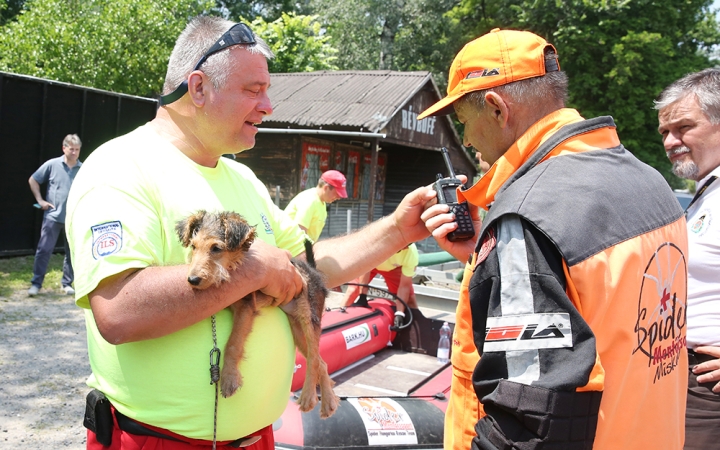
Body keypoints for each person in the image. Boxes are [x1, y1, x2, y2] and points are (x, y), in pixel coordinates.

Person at [65, 16, 433, 450]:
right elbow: (120, 311)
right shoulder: (121, 167)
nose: (269, 106)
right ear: (198, 88)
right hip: (158, 441)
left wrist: (397, 230)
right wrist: (255, 268)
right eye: (253, 90)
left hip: (255, 437)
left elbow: (307, 270)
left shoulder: (243, 179)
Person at [416, 29, 689, 450]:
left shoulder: (528, 215)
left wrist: (511, 250)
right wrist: (488, 262)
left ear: (495, 108)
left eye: (464, 122)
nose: (467, 140)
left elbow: (530, 420)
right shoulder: (650, 182)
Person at [655, 68, 720, 450]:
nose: (670, 141)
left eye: (683, 127)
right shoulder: (705, 190)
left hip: (707, 391)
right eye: (664, 131)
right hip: (675, 373)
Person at [28, 134, 82, 296]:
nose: (74, 153)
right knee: (44, 250)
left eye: (77, 150)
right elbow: (33, 180)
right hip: (52, 216)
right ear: (63, 148)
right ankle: (36, 284)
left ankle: (67, 283)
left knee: (72, 252)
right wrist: (40, 200)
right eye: (71, 149)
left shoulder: (83, 168)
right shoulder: (52, 164)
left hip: (73, 219)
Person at [342, 243, 419, 326]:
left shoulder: (411, 253)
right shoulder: (378, 244)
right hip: (371, 265)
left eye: (408, 245)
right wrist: (362, 296)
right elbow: (366, 266)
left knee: (410, 299)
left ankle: (415, 326)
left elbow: (404, 286)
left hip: (393, 269)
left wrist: (400, 313)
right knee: (353, 290)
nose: (406, 248)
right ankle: (340, 316)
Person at [284, 170, 347, 241]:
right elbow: (299, 234)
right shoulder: (309, 200)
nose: (338, 198)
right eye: (337, 194)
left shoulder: (321, 202)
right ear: (326, 188)